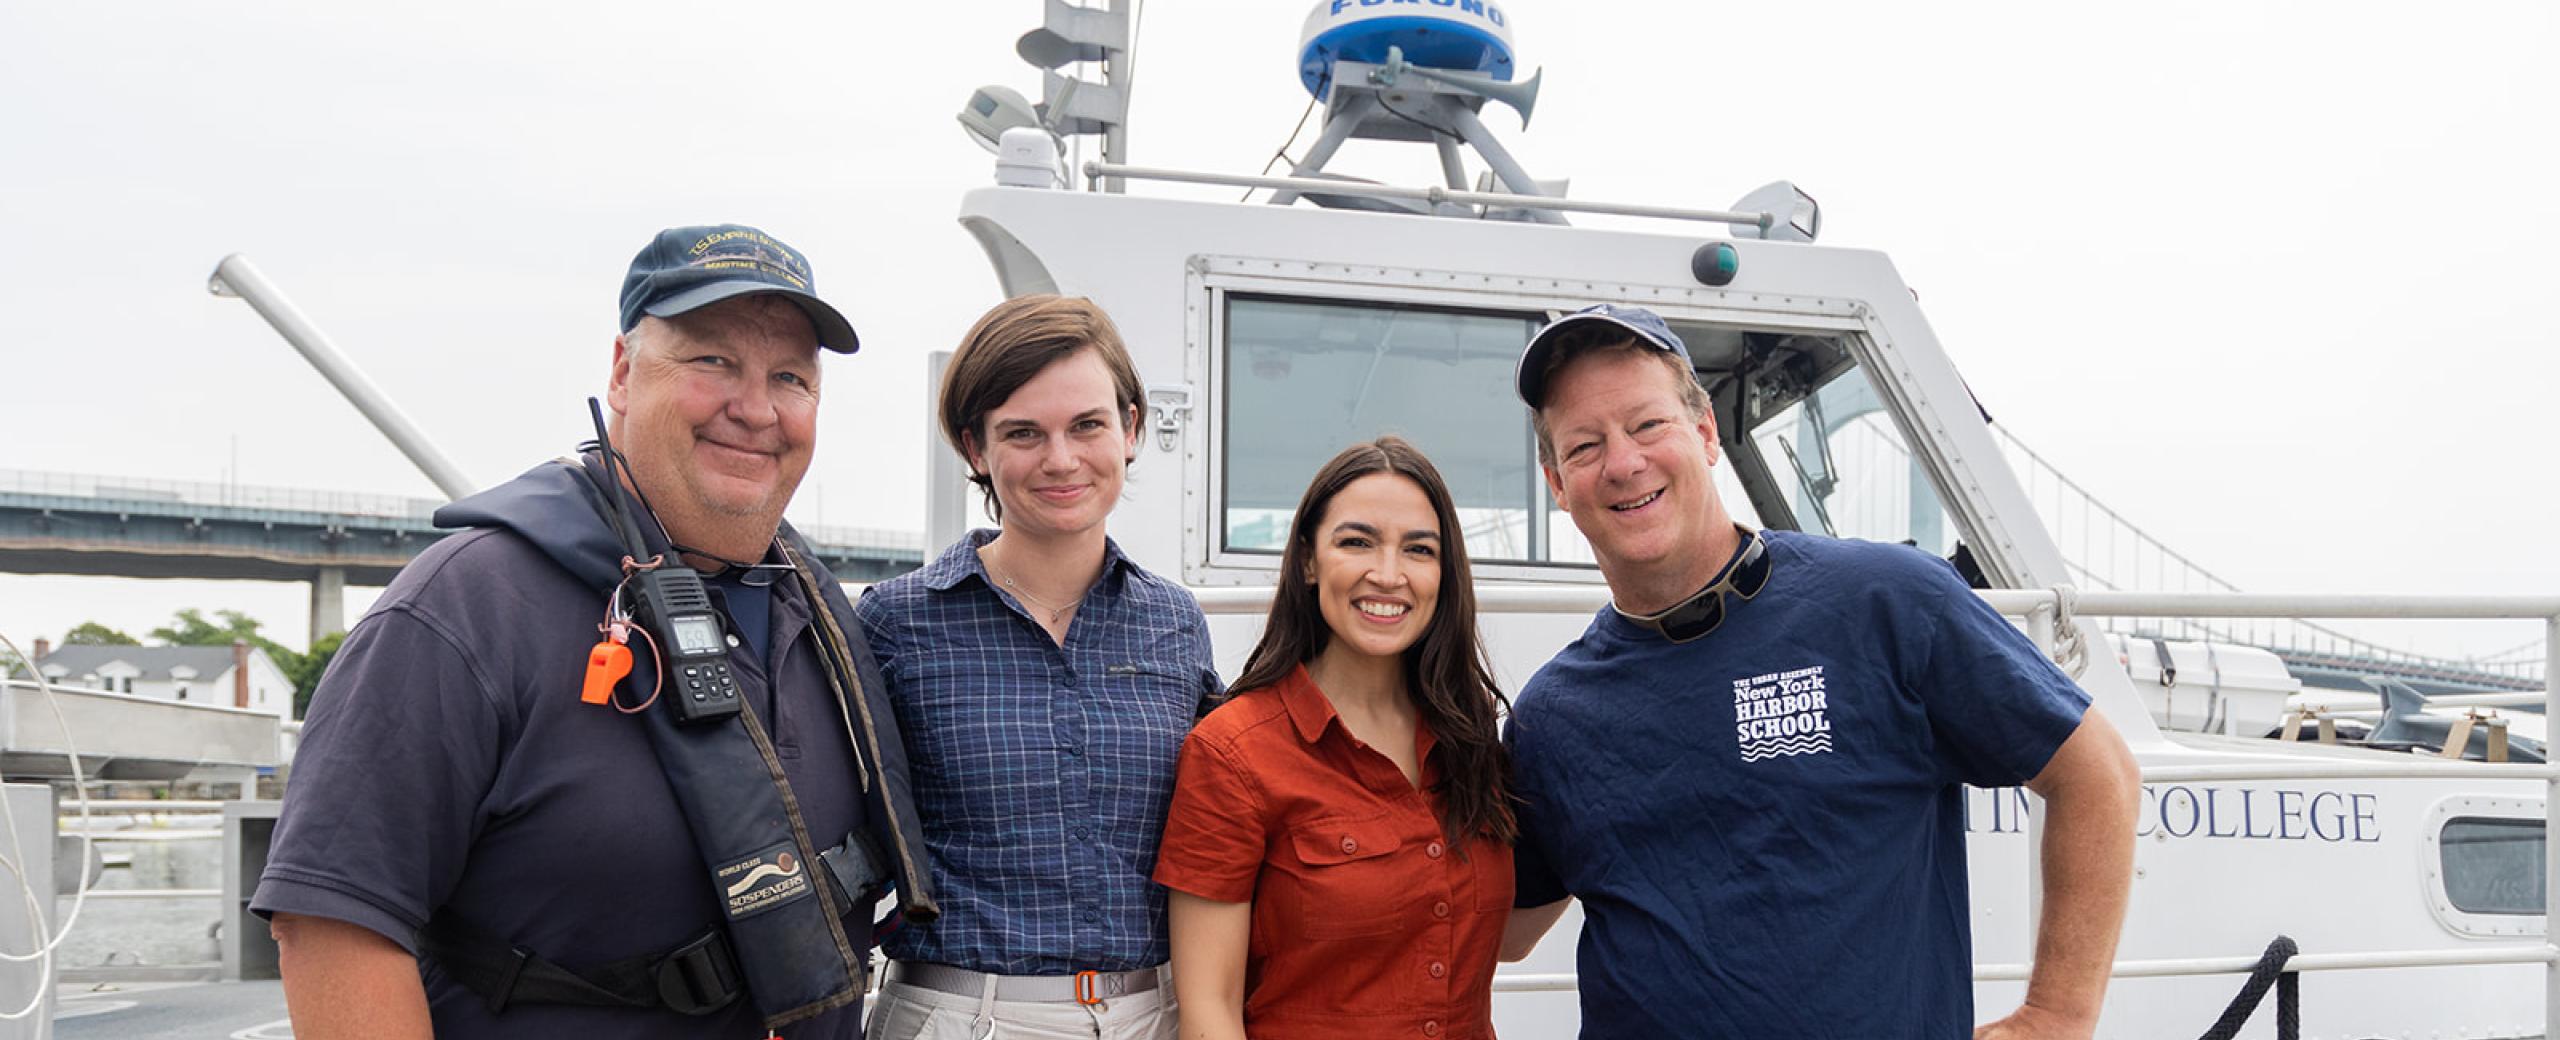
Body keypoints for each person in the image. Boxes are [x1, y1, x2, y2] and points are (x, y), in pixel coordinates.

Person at [251, 223, 935, 1039]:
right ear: (622, 371)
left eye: (788, 377)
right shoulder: (464, 610)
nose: (755, 409)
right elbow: (329, 923)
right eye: (713, 361)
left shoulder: (817, 620)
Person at [1497, 304, 2142, 1039]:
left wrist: (2057, 1016)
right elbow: (1505, 928)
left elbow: (2099, 774)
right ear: (1556, 480)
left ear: (1705, 431)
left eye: (1648, 426)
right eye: (1585, 446)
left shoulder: (1887, 602)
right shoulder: (1552, 715)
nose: (1622, 463)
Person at [857, 294, 1219, 1040]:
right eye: (1023, 432)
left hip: (1153, 1015)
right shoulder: (896, 623)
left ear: (1131, 428)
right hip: (963, 1015)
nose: (1061, 459)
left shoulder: (1175, 624)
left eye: (1087, 425)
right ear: (975, 449)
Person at [1156, 436, 1517, 1040]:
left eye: (1419, 550)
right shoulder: (1232, 753)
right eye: (1356, 542)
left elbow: (1511, 937)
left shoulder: (1471, 740)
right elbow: (1210, 1010)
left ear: (1444, 572)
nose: (1388, 574)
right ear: (1307, 560)